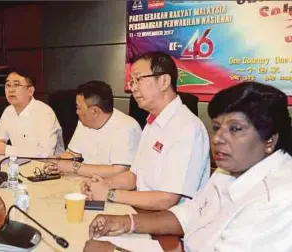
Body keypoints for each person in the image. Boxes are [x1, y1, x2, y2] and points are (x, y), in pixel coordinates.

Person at [84, 81, 292, 252]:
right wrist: (126, 222)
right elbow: (191, 213)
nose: (218, 138)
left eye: (235, 129)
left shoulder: (277, 200)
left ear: (270, 140)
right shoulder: (229, 169)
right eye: (217, 128)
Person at [82, 51, 210, 210]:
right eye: (132, 82)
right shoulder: (152, 123)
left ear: (164, 81)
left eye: (138, 80)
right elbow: (135, 176)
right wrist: (103, 184)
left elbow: (168, 198)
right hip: (143, 210)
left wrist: (110, 194)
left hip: (172, 226)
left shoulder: (187, 128)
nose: (133, 88)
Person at [47, 80, 142, 178]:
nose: (77, 112)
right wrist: (58, 164)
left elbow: (120, 171)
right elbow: (73, 154)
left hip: (113, 188)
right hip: (85, 182)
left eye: (79, 108)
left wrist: (74, 167)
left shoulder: (127, 127)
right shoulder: (84, 123)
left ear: (95, 111)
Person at [0, 70, 64, 157]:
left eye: (16, 85)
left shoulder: (45, 113)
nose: (11, 90)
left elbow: (46, 153)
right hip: (18, 164)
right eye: (8, 85)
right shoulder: (9, 111)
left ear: (30, 91)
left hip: (48, 169)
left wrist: (7, 150)